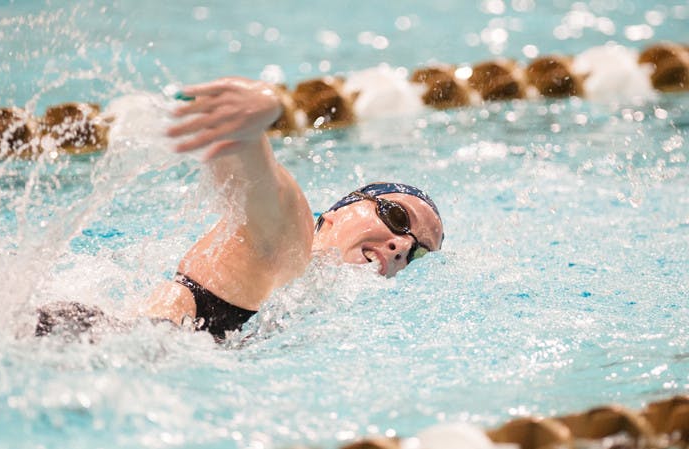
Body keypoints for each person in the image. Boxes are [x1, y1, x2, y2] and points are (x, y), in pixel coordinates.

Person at [36, 77, 444, 342]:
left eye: (417, 251)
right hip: (82, 342)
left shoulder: (306, 293)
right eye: (396, 217)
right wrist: (251, 126)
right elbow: (256, 180)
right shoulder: (290, 236)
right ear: (338, 213)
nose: (400, 247)